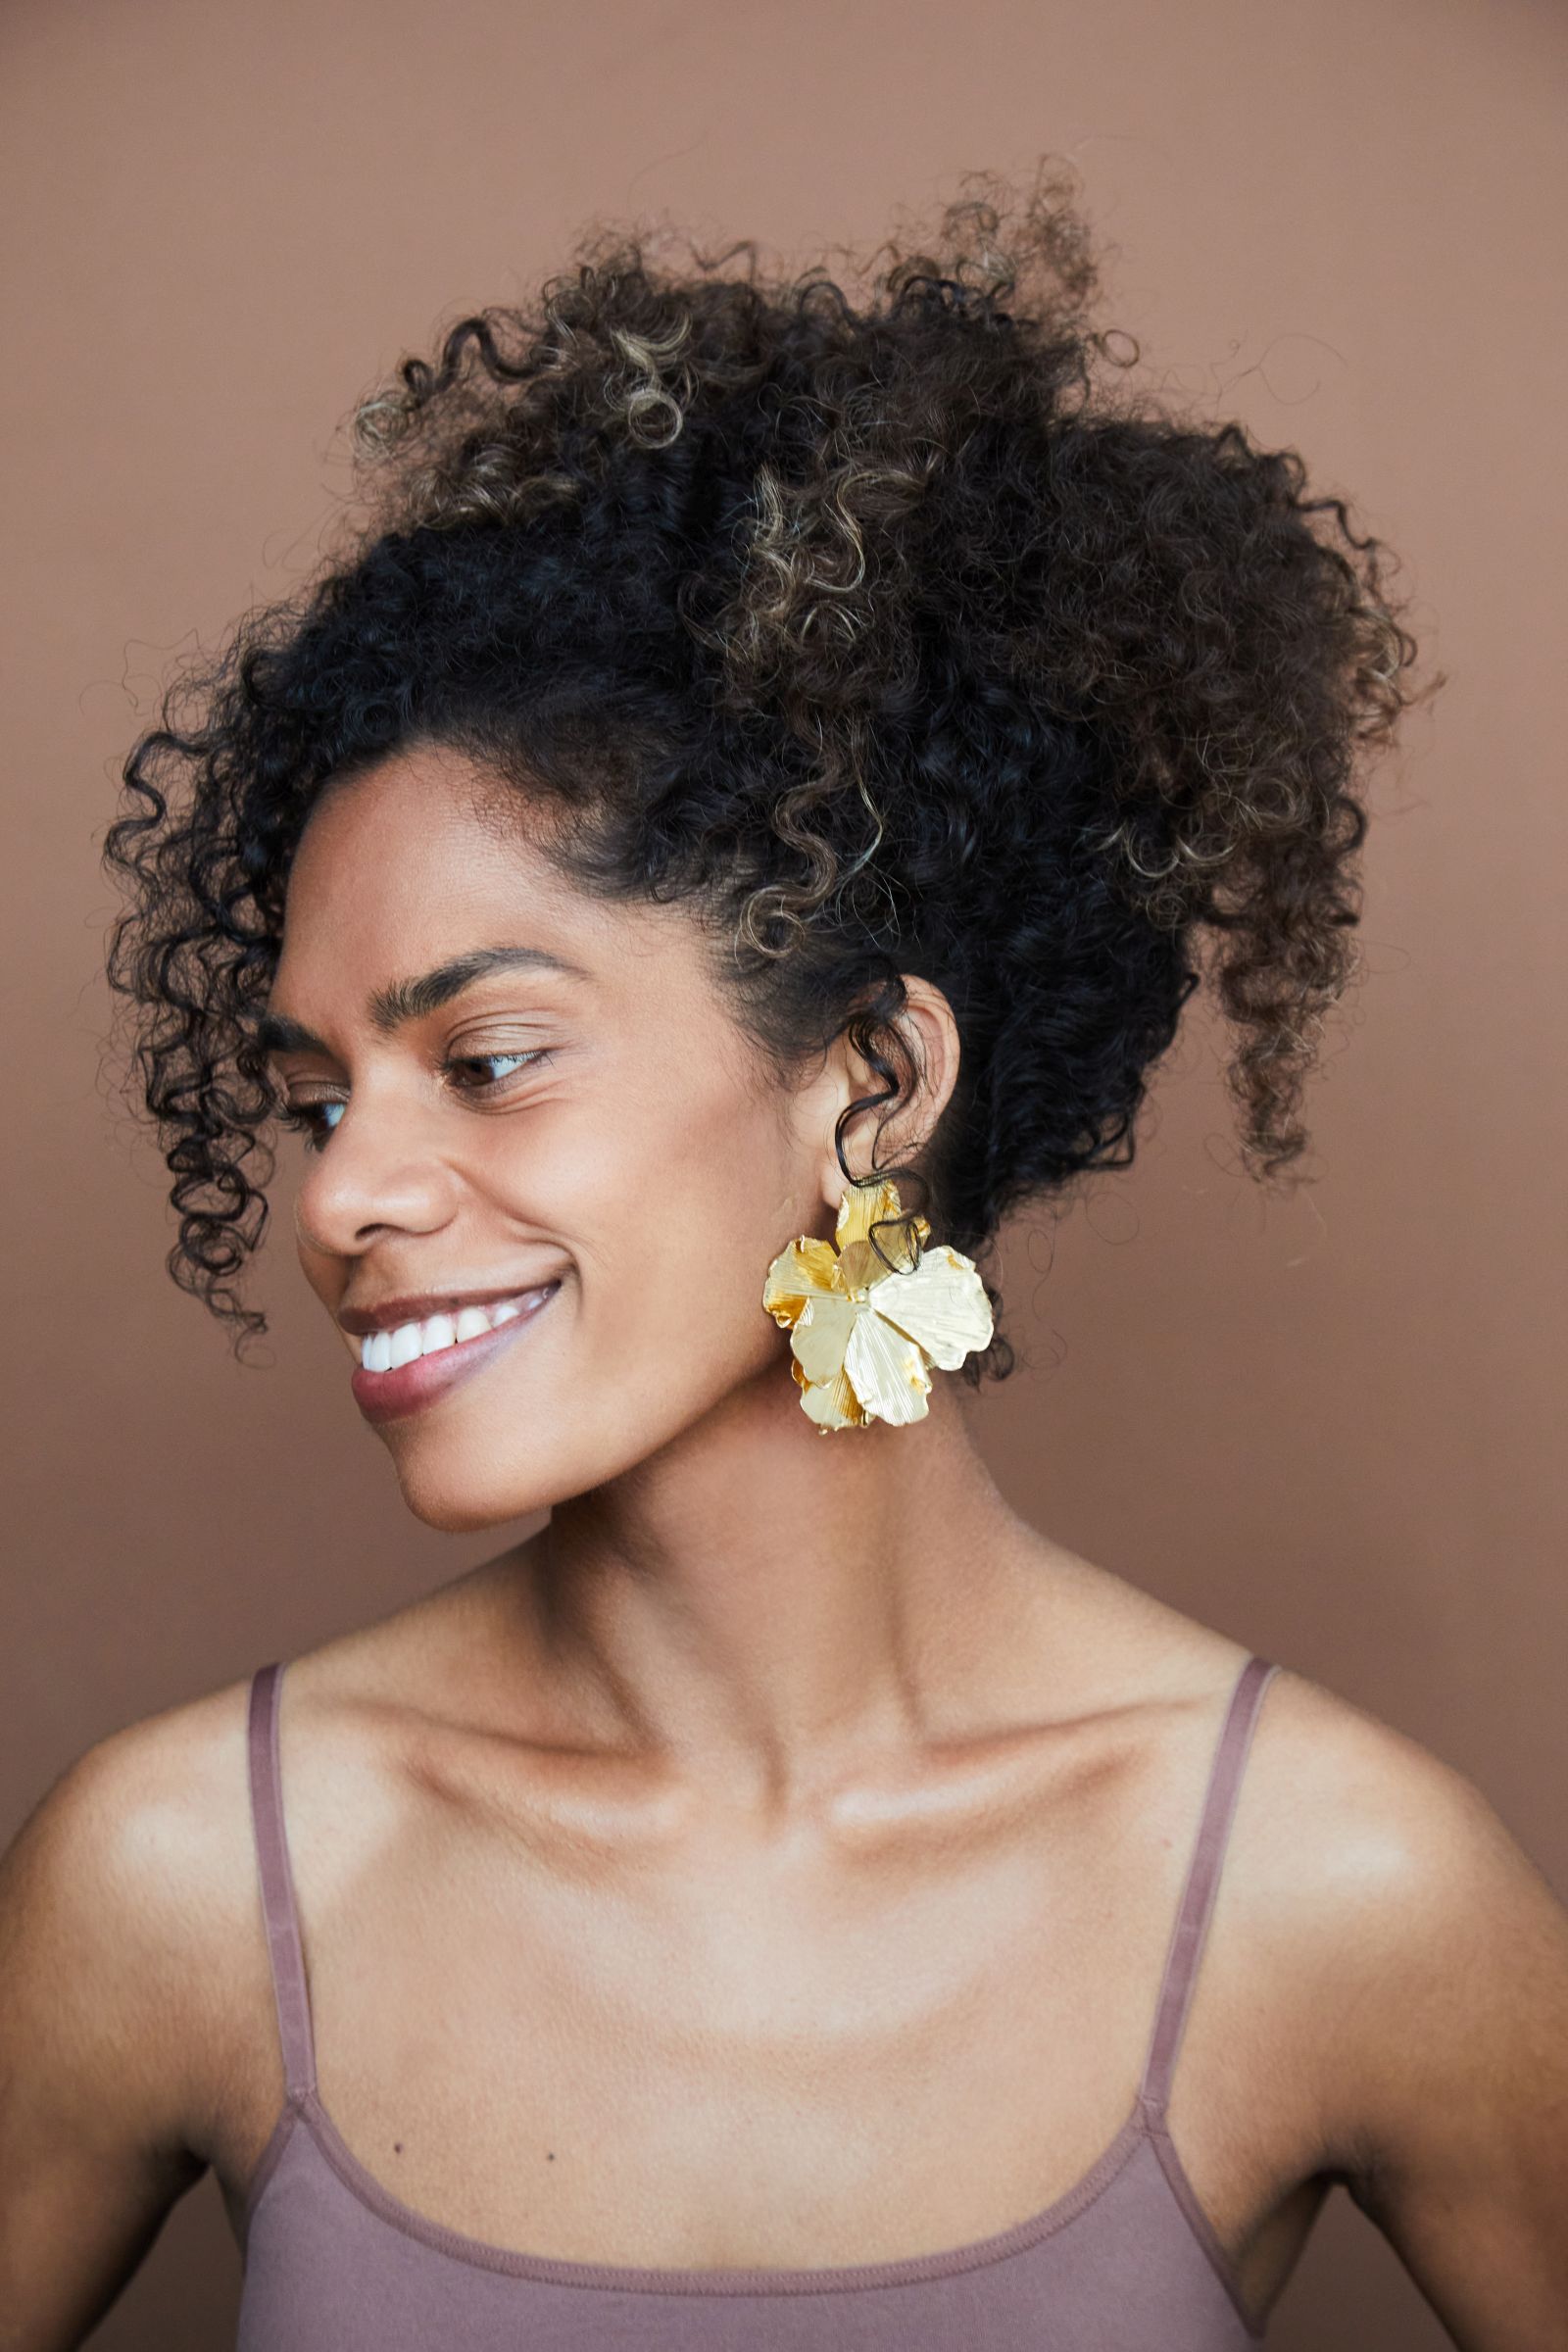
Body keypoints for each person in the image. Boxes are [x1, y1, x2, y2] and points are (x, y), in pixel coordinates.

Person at [2, 161, 1564, 2351]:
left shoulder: (1335, 1894)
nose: (338, 1195)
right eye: (315, 1092)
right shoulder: (175, 1881)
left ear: (869, 1077)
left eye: (489, 1054)